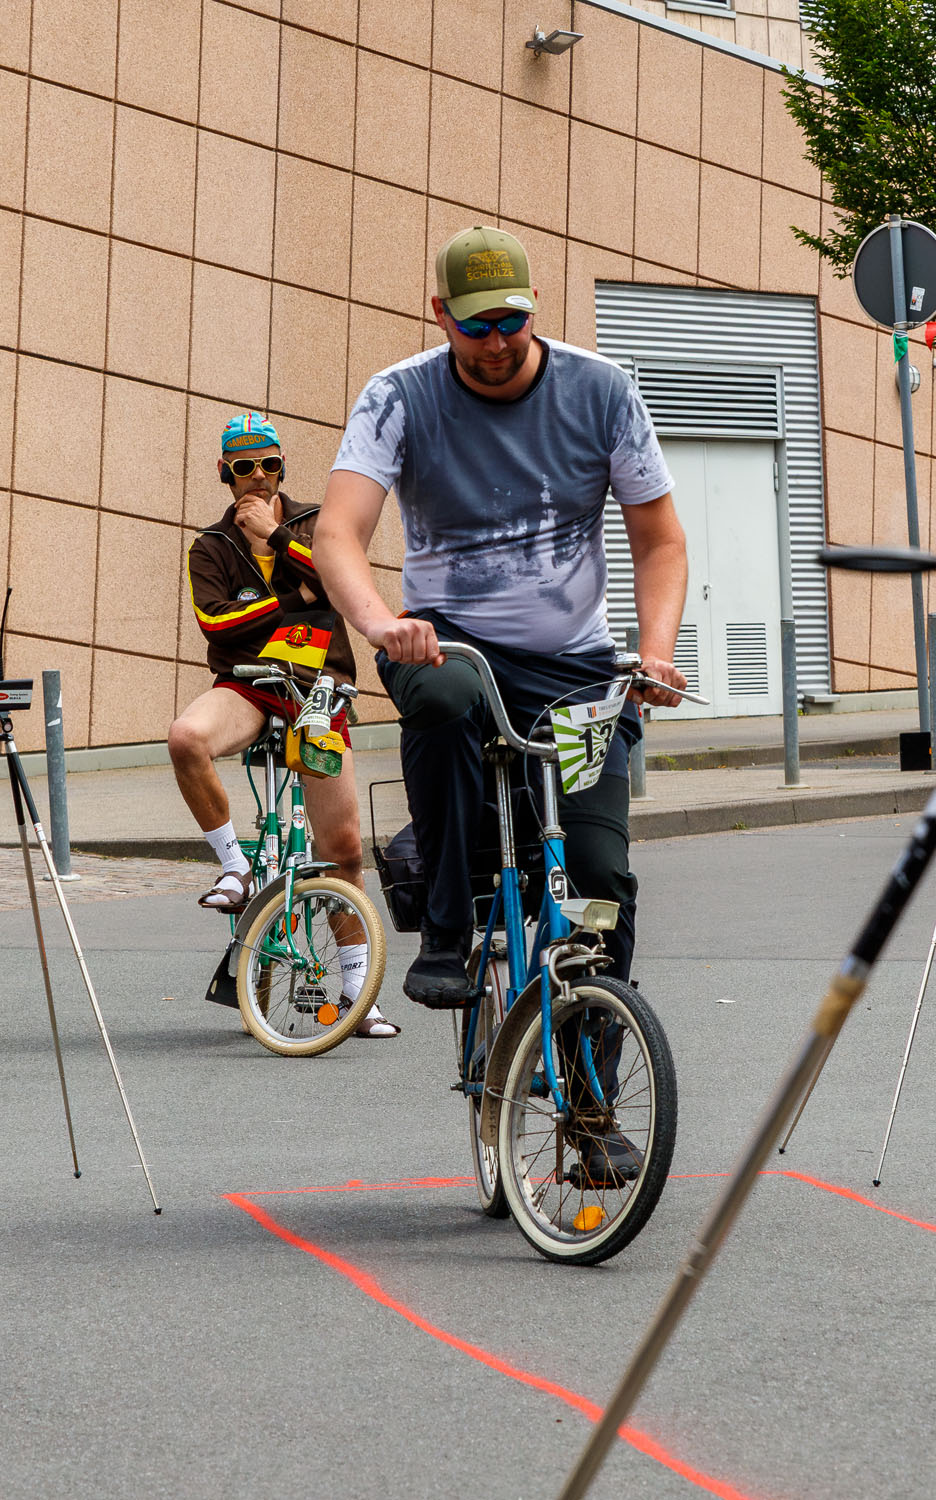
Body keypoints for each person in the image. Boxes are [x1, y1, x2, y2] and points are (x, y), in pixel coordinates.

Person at [312, 224, 688, 1020]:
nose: (495, 342)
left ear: (533, 306)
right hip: (444, 640)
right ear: (441, 314)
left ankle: (596, 1113)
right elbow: (338, 530)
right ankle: (446, 928)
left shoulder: (602, 390)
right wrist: (381, 623)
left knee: (599, 879)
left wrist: (655, 653)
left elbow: (658, 538)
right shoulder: (399, 395)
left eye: (510, 321)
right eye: (475, 325)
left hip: (574, 664)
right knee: (443, 697)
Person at [168, 412, 397, 1038]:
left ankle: (359, 991)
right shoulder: (209, 546)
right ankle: (235, 866)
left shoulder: (314, 524)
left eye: (269, 464)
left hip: (319, 689)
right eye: (244, 467)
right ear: (225, 473)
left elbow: (341, 584)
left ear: (282, 467)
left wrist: (277, 538)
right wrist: (291, 601)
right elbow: (216, 624)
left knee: (342, 849)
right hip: (247, 684)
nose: (258, 477)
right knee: (186, 737)